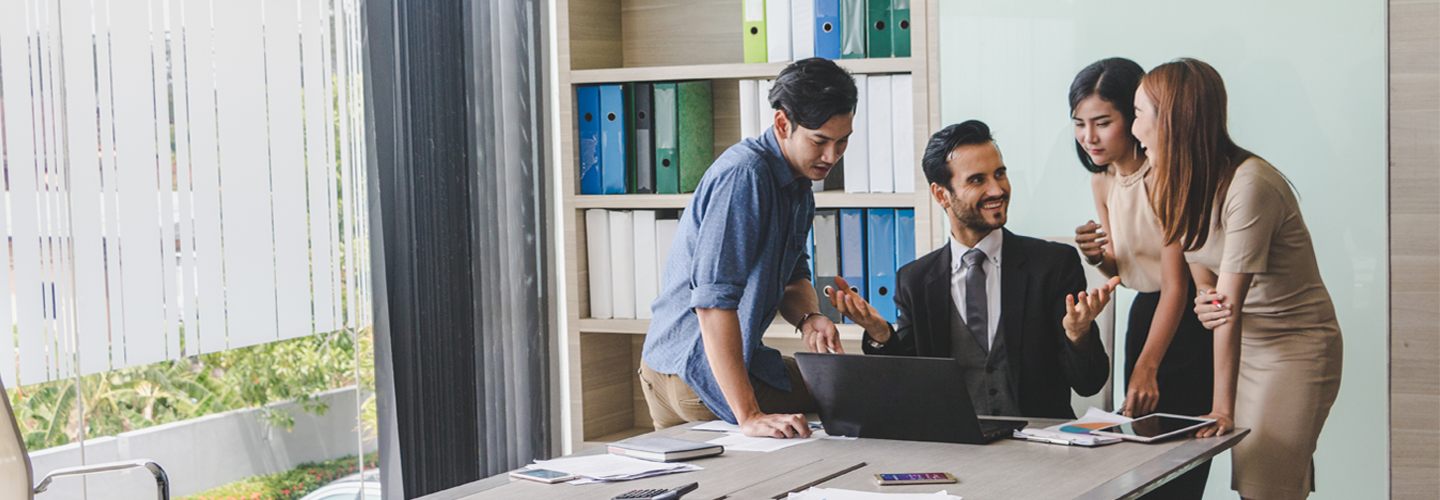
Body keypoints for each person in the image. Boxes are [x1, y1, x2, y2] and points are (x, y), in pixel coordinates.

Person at [1135, 58, 1343, 500]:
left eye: (1138, 114)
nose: (1134, 130)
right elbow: (1209, 289)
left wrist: (1220, 408)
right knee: (1265, 481)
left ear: (1171, 121)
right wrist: (1208, 300)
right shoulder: (1175, 182)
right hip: (1246, 345)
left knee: (1266, 488)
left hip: (1295, 349)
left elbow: (1225, 308)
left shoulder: (1251, 187)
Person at [829, 119, 1118, 419]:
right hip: (955, 449)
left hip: (1040, 449)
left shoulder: (1054, 265)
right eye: (977, 180)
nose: (997, 189)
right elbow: (905, 387)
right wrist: (880, 335)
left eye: (1000, 174)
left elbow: (1089, 383)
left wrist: (1078, 336)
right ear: (942, 195)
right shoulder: (914, 281)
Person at [640, 58, 858, 439]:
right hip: (693, 372)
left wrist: (809, 318)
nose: (831, 157)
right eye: (820, 141)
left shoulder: (798, 185)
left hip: (684, 368)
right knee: (849, 393)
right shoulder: (746, 176)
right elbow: (712, 303)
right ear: (782, 124)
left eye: (842, 142)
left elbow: (793, 277)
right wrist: (750, 416)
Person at [1069, 58, 1213, 499]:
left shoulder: (1166, 175)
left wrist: (1146, 368)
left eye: (1102, 122)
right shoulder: (1103, 178)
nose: (1088, 137)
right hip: (1144, 314)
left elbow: (1178, 284)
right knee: (1139, 461)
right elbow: (1123, 266)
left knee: (1177, 466)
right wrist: (1097, 257)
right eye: (1078, 124)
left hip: (1183, 322)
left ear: (1134, 116)